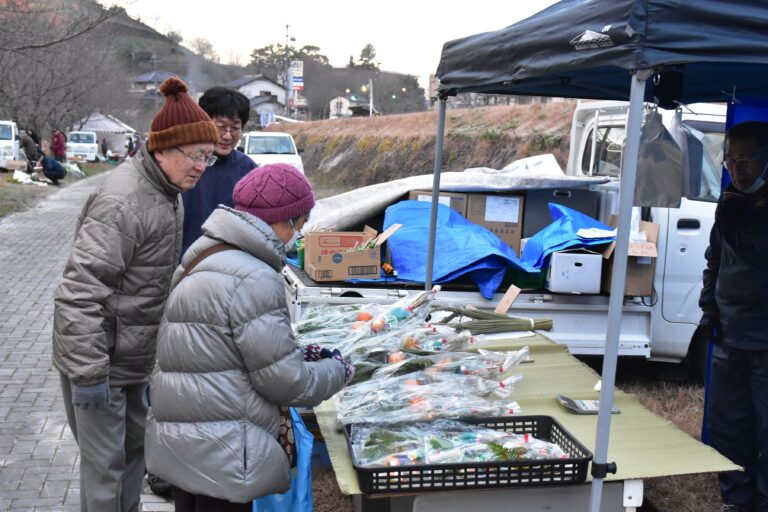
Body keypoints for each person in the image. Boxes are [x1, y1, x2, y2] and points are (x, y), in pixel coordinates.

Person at [52, 76, 220, 512]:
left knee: (133, 458)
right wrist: (88, 374)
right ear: (162, 148)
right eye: (195, 155)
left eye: (208, 157)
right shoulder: (124, 201)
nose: (202, 166)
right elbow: (79, 293)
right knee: (105, 469)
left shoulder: (168, 194)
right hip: (99, 362)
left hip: (132, 362)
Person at [145, 164, 355, 511]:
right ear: (282, 220)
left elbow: (224, 350)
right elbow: (287, 383)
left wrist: (301, 352)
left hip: (185, 444)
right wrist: (340, 370)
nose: (298, 235)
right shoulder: (255, 277)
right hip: (223, 453)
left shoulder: (206, 254)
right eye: (299, 225)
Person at [700, 120, 768, 512]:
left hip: (765, 337)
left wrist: (746, 224)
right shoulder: (729, 201)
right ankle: (736, 500)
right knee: (729, 425)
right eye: (731, 159)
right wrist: (709, 307)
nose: (737, 168)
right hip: (729, 332)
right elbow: (714, 261)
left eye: (746, 159)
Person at [181, 86, 256, 255]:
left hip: (231, 267)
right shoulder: (181, 163)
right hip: (180, 266)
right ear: (204, 124)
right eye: (221, 127)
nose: (228, 136)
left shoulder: (249, 171)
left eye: (235, 128)